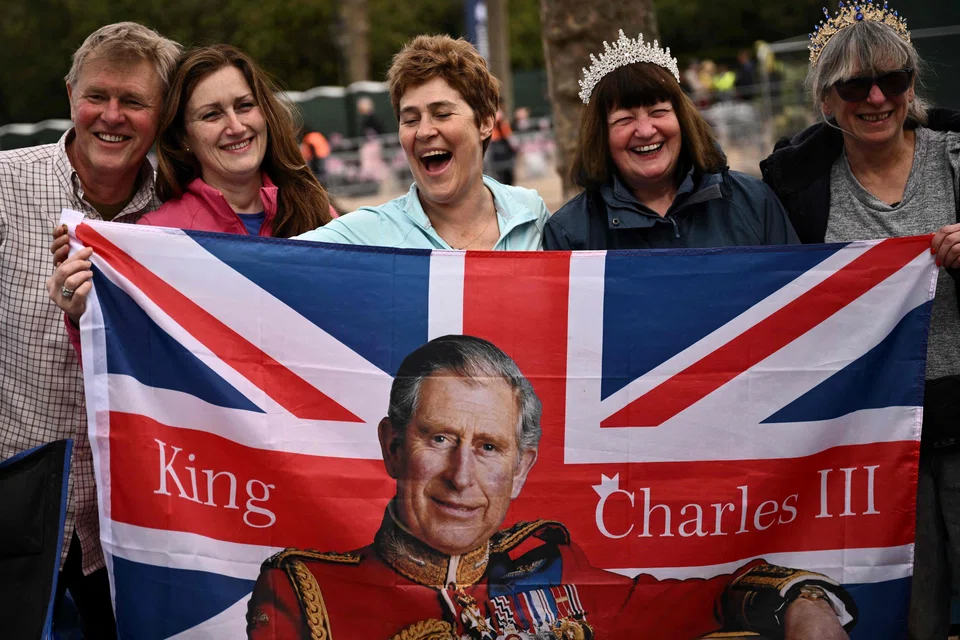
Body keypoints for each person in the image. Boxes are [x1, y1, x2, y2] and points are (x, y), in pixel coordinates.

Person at [247, 334, 856, 640]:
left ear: (521, 469)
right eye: (439, 439)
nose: (462, 476)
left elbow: (712, 598)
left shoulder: (550, 569)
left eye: (489, 448)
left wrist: (799, 602)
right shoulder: (306, 592)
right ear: (391, 446)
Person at [759, 5, 960, 639]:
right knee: (908, 611)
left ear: (912, 85)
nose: (876, 98)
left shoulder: (955, 157)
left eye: (892, 81)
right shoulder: (799, 189)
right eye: (854, 85)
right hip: (872, 439)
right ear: (827, 97)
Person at [0, 22, 181, 638]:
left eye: (133, 101)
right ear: (69, 93)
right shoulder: (6, 184)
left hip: (132, 525)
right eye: (97, 96)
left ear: (161, 115)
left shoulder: (178, 215)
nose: (112, 116)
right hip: (17, 516)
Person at [48, 44, 333, 329]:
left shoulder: (316, 210)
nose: (235, 126)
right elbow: (133, 357)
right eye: (212, 115)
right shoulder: (155, 236)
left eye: (244, 106)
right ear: (184, 137)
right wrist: (81, 315)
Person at [544, 30, 797, 251]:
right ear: (601, 136)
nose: (645, 131)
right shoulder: (570, 235)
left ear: (682, 120)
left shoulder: (753, 202)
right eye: (624, 119)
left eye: (658, 112)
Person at [295, 35, 549, 250]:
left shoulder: (531, 214)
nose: (424, 132)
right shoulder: (369, 234)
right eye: (410, 119)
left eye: (442, 114)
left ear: (484, 122)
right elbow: (270, 263)